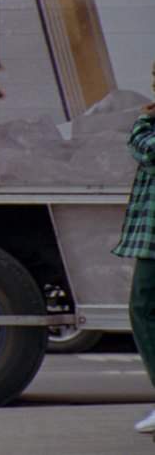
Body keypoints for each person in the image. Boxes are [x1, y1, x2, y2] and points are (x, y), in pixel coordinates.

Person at [112, 60, 155, 434]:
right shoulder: (148, 124)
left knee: (143, 306)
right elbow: (141, 145)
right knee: (141, 307)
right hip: (151, 237)